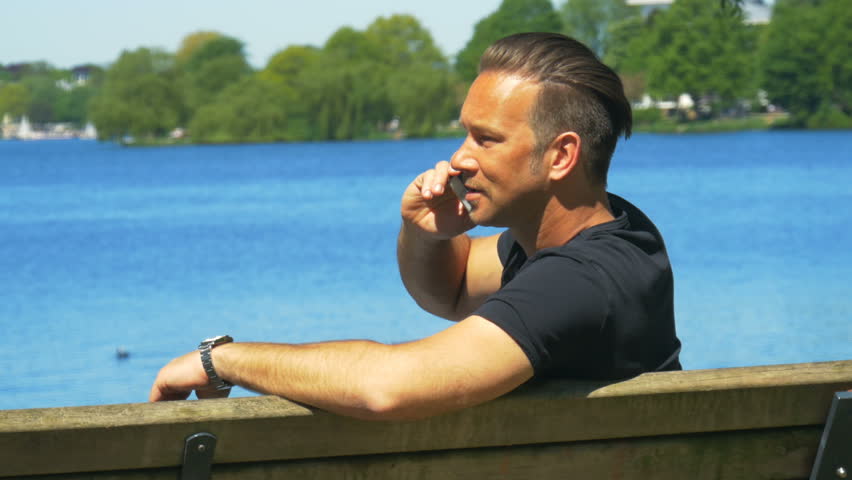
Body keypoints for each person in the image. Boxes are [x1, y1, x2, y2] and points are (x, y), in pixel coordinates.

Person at [149, 32, 681, 420]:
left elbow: (386, 388)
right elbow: (451, 289)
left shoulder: (579, 282)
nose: (458, 158)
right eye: (465, 135)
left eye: (486, 139)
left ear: (561, 155)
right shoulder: (620, 232)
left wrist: (219, 361)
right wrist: (425, 233)